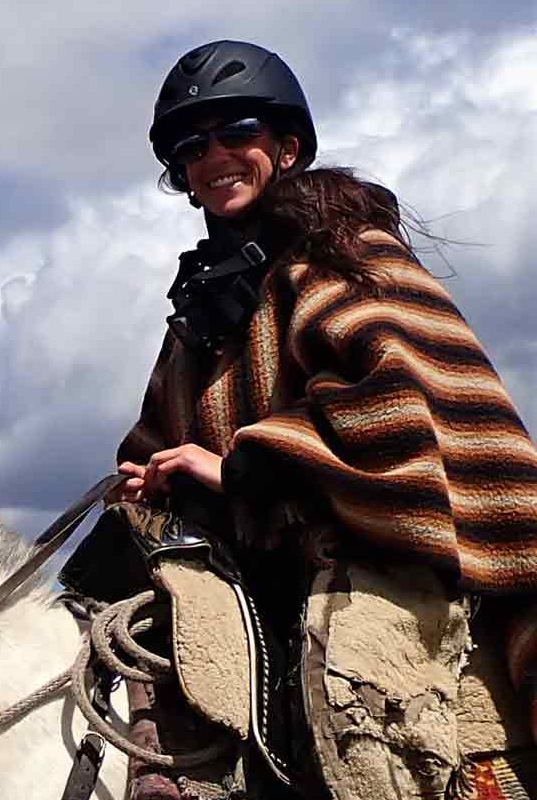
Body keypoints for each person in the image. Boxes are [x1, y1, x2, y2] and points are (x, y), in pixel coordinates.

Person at [110, 40, 537, 799]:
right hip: (241, 584)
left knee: (364, 717)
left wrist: (242, 466)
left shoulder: (348, 258)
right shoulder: (196, 320)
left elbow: (401, 410)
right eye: (192, 145)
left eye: (236, 131)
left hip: (376, 569)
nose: (214, 157)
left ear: (287, 146)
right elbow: (159, 441)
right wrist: (151, 480)